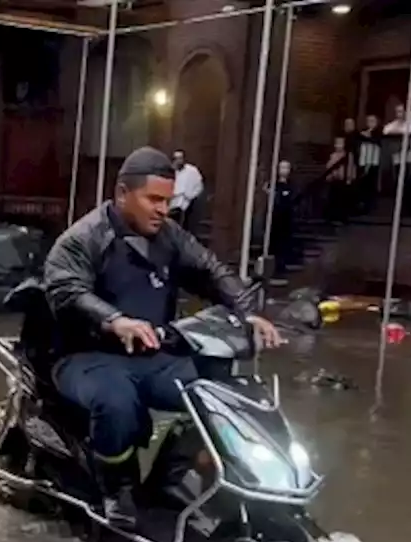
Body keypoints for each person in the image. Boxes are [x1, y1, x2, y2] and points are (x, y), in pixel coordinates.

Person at [44, 146, 282, 520]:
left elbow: (211, 271)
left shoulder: (171, 236)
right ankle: (117, 489)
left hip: (153, 355)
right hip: (86, 357)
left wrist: (249, 314)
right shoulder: (83, 239)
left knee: (213, 392)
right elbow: (66, 291)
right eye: (153, 199)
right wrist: (115, 320)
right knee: (117, 402)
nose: (162, 209)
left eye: (167, 201)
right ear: (123, 193)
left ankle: (195, 476)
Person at [168, 149, 204, 232]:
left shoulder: (192, 171)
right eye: (176, 158)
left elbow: (198, 185)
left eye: (180, 158)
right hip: (174, 204)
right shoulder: (172, 171)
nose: (179, 161)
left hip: (189, 203)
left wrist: (191, 195)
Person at [355, 114, 382, 214]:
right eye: (368, 121)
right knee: (363, 184)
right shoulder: (363, 132)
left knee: (371, 183)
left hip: (373, 161)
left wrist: (368, 137)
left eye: (372, 121)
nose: (370, 123)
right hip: (363, 160)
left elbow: (377, 141)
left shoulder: (378, 133)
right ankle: (362, 205)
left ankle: (371, 205)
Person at [324, 137, 352, 224]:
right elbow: (328, 167)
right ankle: (332, 218)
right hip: (334, 180)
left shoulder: (348, 155)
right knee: (333, 200)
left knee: (343, 201)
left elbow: (350, 167)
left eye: (340, 143)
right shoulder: (332, 156)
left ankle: (342, 218)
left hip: (343, 181)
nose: (338, 146)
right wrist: (329, 176)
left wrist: (349, 178)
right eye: (337, 144)